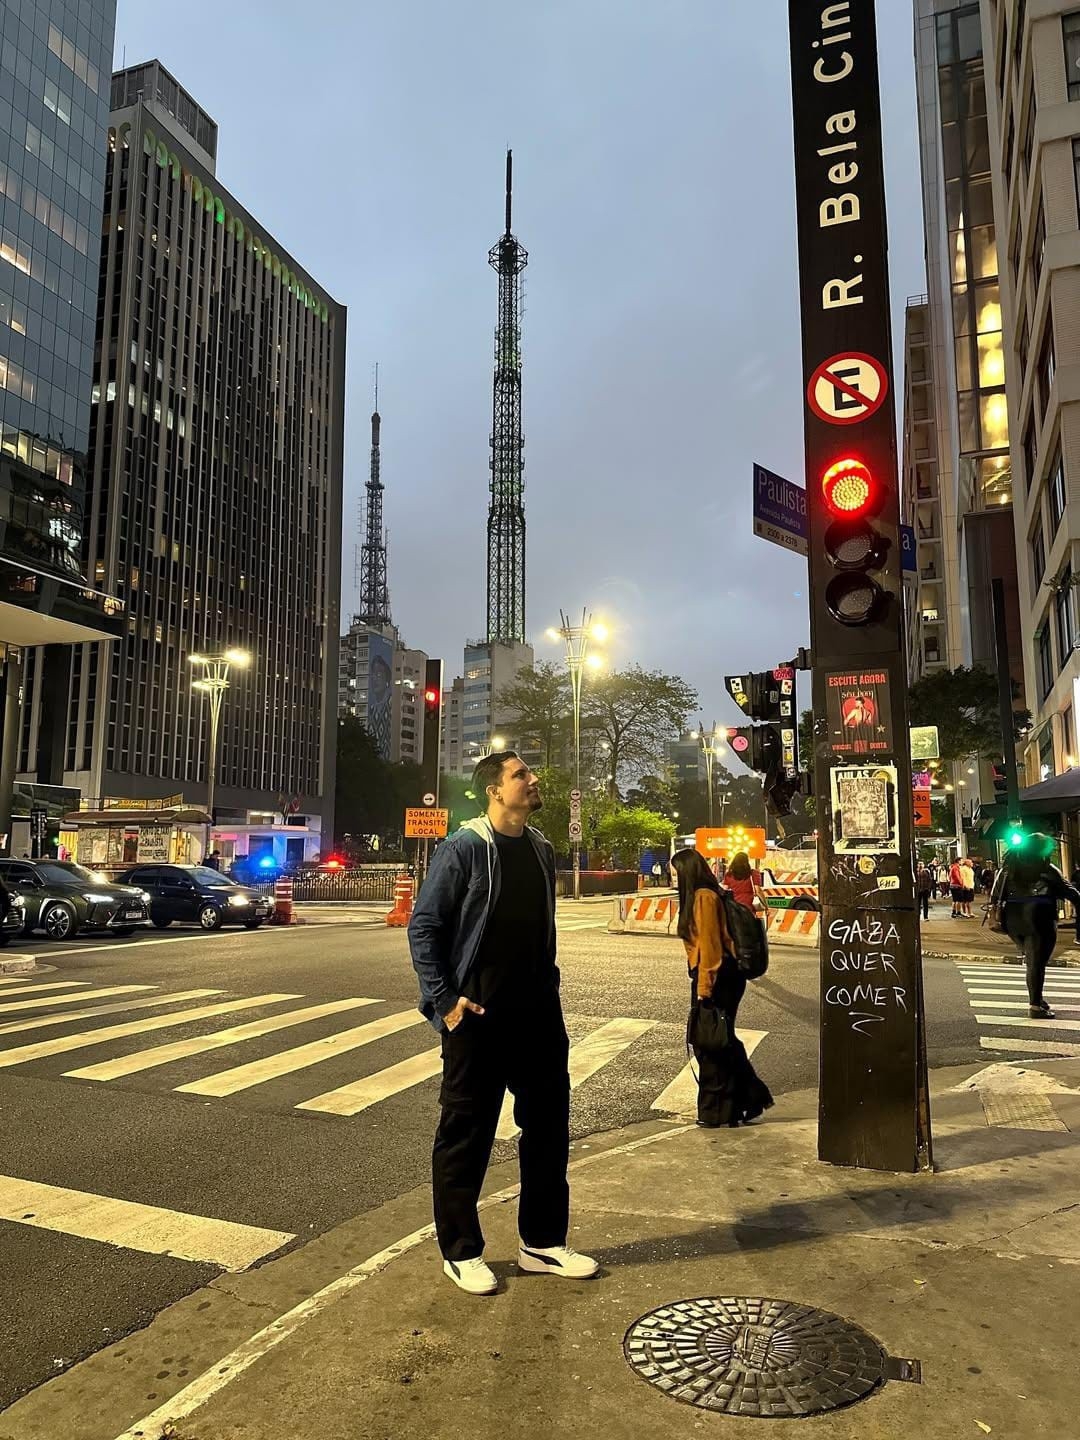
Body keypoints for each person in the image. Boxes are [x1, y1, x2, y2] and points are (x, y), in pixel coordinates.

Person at [407, 750, 597, 1297]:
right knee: (467, 1136)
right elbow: (424, 927)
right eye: (521, 775)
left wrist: (549, 987)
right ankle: (461, 1251)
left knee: (549, 1131)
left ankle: (542, 1242)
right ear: (494, 791)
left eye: (529, 773)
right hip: (479, 1019)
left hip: (538, 1016)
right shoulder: (465, 848)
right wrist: (446, 1002)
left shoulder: (540, 848)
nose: (533, 780)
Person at [670, 848, 773, 1128]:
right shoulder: (704, 894)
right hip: (721, 976)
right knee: (720, 1040)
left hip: (718, 977)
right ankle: (747, 1099)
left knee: (710, 1043)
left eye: (676, 872)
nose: (673, 877)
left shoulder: (704, 897)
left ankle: (718, 1110)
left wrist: (704, 990)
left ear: (688, 872)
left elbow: (710, 948)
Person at [992, 833, 1080, 1018]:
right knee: (1036, 963)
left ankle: (1037, 999)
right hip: (1040, 918)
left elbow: (995, 895)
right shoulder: (1046, 868)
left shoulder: (1008, 867)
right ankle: (1035, 1006)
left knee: (1032, 960)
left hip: (1012, 921)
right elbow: (1070, 892)